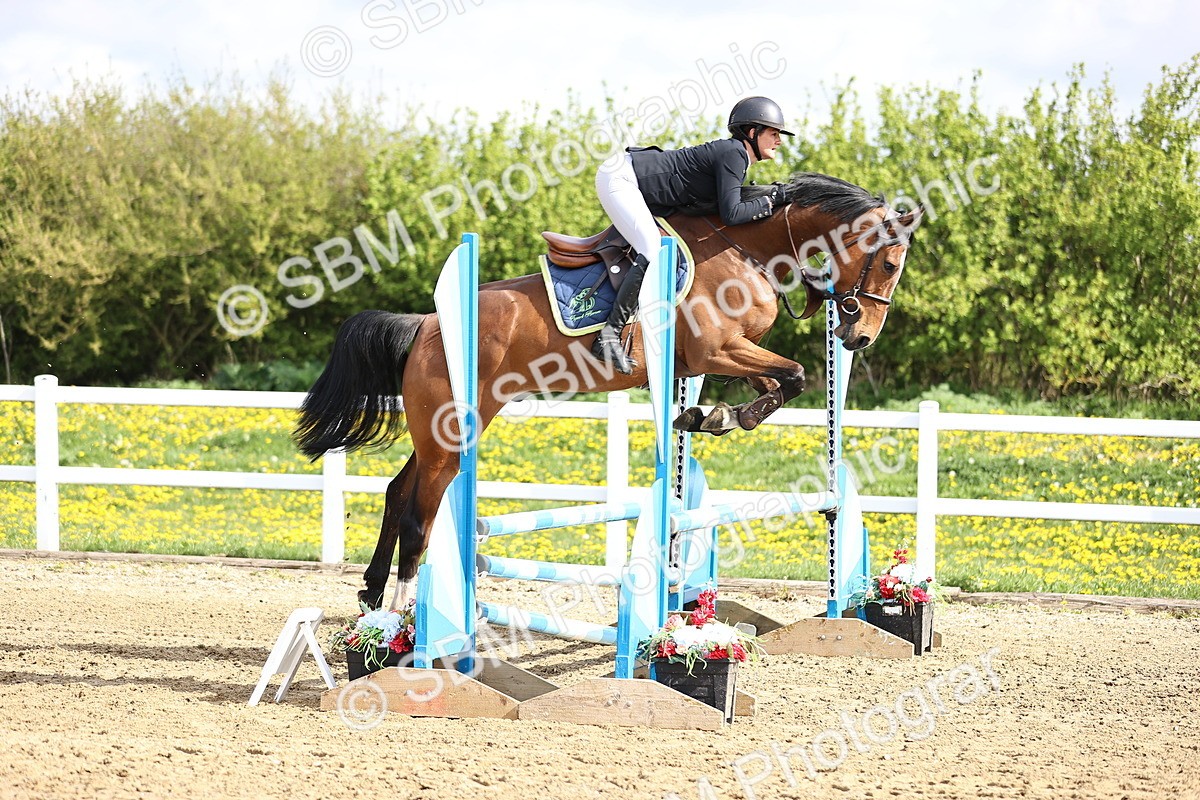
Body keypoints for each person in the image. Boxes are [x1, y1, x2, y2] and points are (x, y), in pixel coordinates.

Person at [590, 96, 794, 374]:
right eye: (773, 133)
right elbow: (732, 214)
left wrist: (769, 197)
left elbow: (716, 208)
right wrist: (773, 200)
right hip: (622, 179)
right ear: (752, 132)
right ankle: (609, 336)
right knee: (652, 249)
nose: (779, 140)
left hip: (635, 181)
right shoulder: (734, 153)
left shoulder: (736, 156)